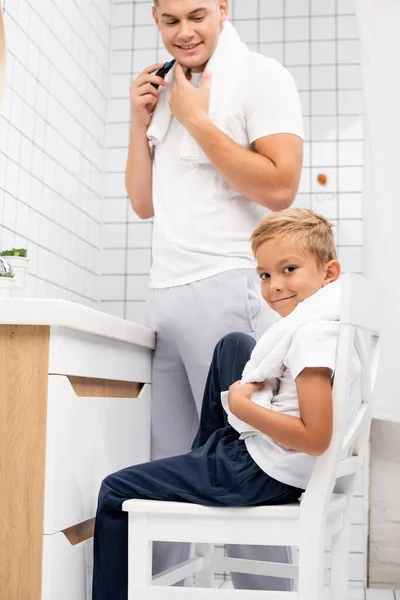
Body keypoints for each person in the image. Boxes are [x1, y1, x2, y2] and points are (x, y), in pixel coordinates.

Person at [92, 208, 362, 600]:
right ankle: (206, 458)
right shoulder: (322, 324)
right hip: (263, 464)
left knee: (115, 490)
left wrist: (242, 406)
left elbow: (316, 439)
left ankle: (207, 465)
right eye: (265, 275)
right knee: (234, 344)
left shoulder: (311, 338)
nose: (274, 286)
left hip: (261, 473)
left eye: (289, 269)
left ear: (329, 273)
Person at [125, 0, 304, 589]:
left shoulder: (260, 77)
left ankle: (268, 591)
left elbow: (280, 187)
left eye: (197, 15)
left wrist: (198, 120)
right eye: (169, 20)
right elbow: (144, 204)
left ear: (223, 9)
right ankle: (169, 589)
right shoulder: (168, 86)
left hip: (226, 287)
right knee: (170, 465)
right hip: (166, 296)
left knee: (246, 460)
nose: (184, 32)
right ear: (155, 18)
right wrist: (139, 121)